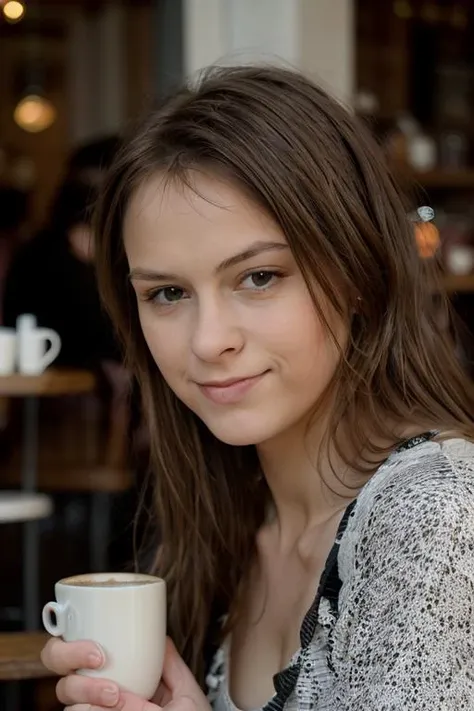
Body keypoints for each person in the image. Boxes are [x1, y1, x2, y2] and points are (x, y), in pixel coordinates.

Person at [41, 65, 474, 711]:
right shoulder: (233, 518)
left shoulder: (436, 517)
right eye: (167, 293)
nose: (208, 339)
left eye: (259, 276)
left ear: (358, 270)